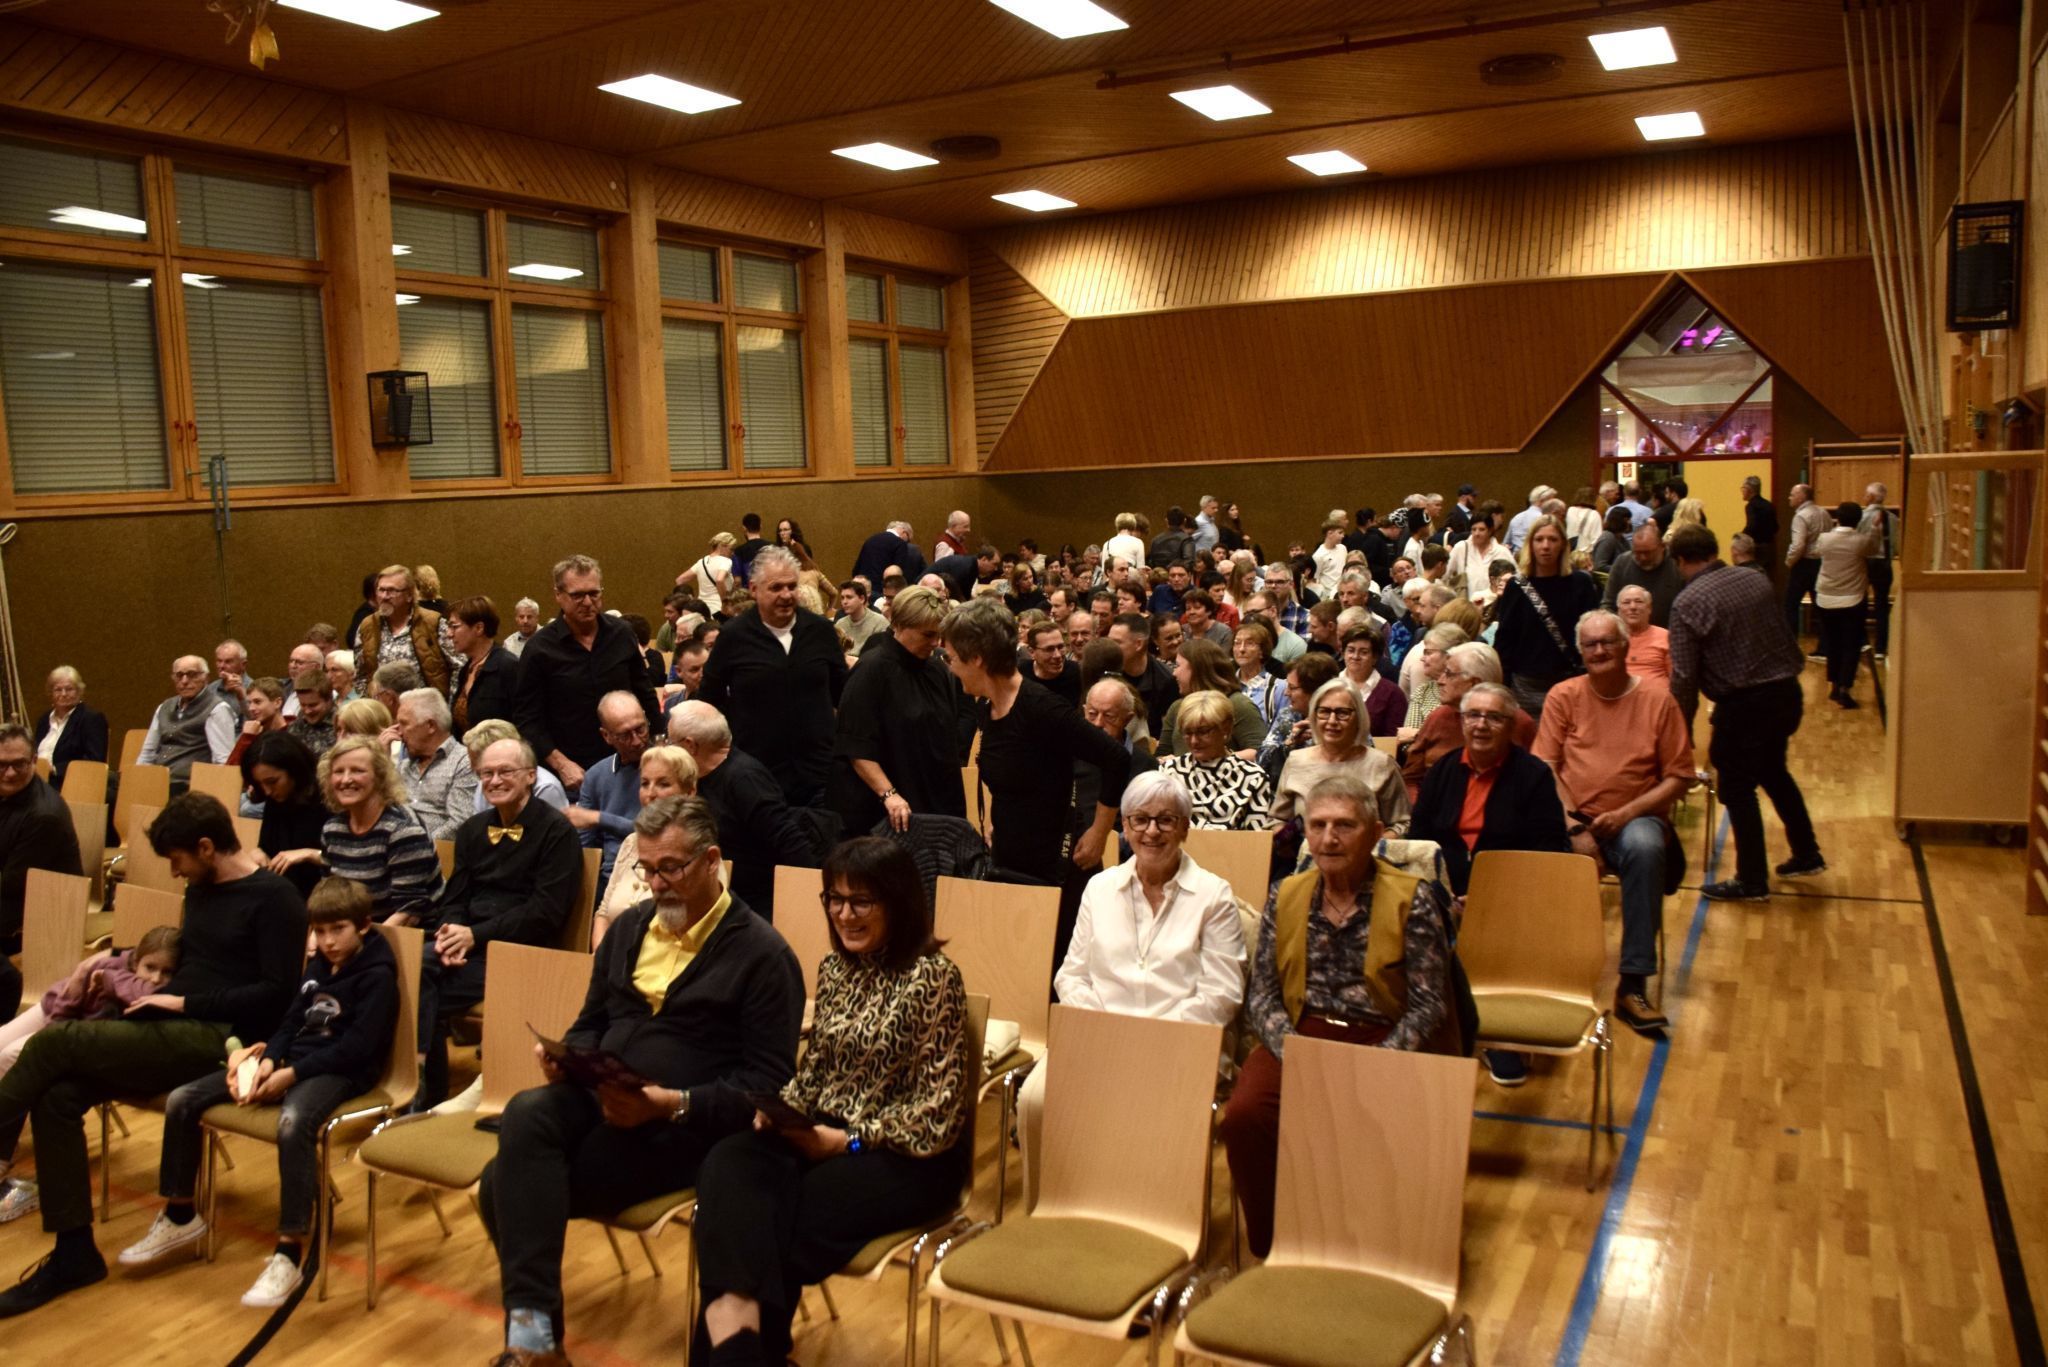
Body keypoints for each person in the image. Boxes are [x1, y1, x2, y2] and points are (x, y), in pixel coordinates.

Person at [479, 796, 803, 1367]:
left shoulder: (762, 953)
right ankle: (534, 1343)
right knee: (527, 1111)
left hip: (681, 1128)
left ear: (712, 861)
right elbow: (591, 1022)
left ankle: (534, 1345)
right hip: (600, 1094)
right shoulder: (630, 928)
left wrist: (671, 1105)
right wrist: (567, 1058)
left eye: (670, 868)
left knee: (498, 1188)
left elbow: (767, 1087)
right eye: (647, 869)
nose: (655, 884)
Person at [0, 794, 304, 1316]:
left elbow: (278, 994)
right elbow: (192, 958)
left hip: (223, 1041)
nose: (174, 871)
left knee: (54, 1040)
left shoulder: (277, 899)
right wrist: (115, 962)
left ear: (205, 847)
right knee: (56, 1097)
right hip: (168, 1027)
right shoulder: (202, 889)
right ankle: (74, 1253)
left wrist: (183, 1003)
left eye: (177, 859)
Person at [691, 836, 969, 1364]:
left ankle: (745, 1353)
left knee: (769, 1221)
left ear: (898, 901)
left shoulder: (934, 977)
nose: (844, 914)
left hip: (906, 1156)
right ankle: (746, 1352)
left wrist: (849, 1143)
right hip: (821, 1132)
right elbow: (815, 1072)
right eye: (834, 899)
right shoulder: (835, 969)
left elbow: (936, 1114)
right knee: (730, 1162)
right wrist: (780, 1112)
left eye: (861, 901)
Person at [131, 877, 396, 1307]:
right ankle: (180, 1213)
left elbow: (357, 1048)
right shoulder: (317, 965)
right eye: (320, 931)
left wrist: (290, 1075)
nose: (328, 941)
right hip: (293, 1061)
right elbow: (291, 1020)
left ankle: (289, 1252)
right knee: (183, 1099)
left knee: (293, 1123)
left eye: (338, 930)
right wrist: (271, 1058)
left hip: (341, 1071)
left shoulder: (378, 976)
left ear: (364, 925)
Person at [1222, 773, 1454, 1257]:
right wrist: (1293, 1052)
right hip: (1301, 1035)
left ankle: (1374, 1240)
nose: (1329, 838)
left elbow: (1429, 1003)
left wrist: (1378, 1061)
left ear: (1375, 833)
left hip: (1383, 1038)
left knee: (1373, 1121)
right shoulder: (1286, 894)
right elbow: (1262, 994)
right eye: (1318, 825)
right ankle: (1274, 1242)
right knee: (1244, 1116)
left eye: (1345, 825)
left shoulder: (1412, 899)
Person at [1020, 772, 1245, 1207]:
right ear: (1124, 826)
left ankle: (1151, 1211)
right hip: (1102, 1038)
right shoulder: (1099, 888)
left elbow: (1222, 994)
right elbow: (1071, 976)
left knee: (1141, 1113)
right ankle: (1058, 1206)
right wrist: (1106, 1029)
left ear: (1185, 827)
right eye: (1140, 819)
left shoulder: (1213, 896)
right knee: (1034, 1099)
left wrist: (1149, 1039)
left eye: (1166, 820)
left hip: (1179, 1046)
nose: (1152, 831)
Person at [1533, 611, 1696, 1038]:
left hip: (1634, 817)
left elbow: (1679, 777)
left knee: (1645, 848)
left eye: (1608, 642)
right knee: (1531, 849)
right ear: (1581, 651)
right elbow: (1545, 766)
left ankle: (1633, 984)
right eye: (1590, 644)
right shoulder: (1563, 696)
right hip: (1572, 817)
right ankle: (1547, 975)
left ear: (1626, 647)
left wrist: (1625, 814)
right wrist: (1575, 828)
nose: (1599, 650)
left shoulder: (1659, 700)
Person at [416, 736, 583, 1110]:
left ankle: (421, 1085)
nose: (494, 780)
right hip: (472, 949)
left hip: (523, 953)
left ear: (530, 776)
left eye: (505, 771)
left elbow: (545, 913)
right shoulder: (473, 830)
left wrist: (473, 936)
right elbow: (455, 898)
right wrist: (452, 934)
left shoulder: (556, 832)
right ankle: (422, 1085)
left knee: (419, 980)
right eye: (486, 773)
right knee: (412, 971)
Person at [1667, 525, 1826, 900]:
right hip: (1786, 693)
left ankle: (1751, 879)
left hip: (1743, 705)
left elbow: (1685, 678)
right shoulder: (1754, 579)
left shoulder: (1687, 603)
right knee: (1774, 773)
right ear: (1714, 550)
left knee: (1737, 788)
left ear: (1680, 560)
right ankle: (1807, 852)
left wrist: (1680, 730)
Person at [942, 597, 1130, 885]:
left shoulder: (1043, 709)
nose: (951, 668)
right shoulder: (986, 706)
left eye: (952, 658)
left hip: (1056, 865)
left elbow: (1117, 758)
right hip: (1010, 857)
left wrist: (1098, 833)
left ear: (977, 658)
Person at [696, 546, 848, 809]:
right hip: (756, 774)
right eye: (776, 588)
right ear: (754, 589)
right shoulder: (733, 636)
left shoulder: (821, 631)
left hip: (819, 773)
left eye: (792, 586)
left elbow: (843, 695)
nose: (786, 595)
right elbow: (710, 701)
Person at [512, 555, 661, 793]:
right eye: (577, 595)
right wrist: (561, 764)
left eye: (594, 593)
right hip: (573, 772)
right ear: (558, 595)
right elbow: (527, 720)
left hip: (630, 764)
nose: (588, 602)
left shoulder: (622, 634)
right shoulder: (539, 649)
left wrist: (659, 744)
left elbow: (645, 694)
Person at [670, 702, 821, 923]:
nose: (668, 749)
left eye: (671, 742)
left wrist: (807, 912)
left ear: (690, 745)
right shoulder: (696, 779)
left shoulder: (745, 779)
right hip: (721, 897)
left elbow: (791, 842)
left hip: (758, 906)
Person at [270, 735, 442, 925]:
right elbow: (330, 899)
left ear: (379, 777)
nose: (345, 780)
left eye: (357, 771)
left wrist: (360, 942)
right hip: (351, 931)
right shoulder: (332, 829)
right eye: (338, 771)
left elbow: (410, 912)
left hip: (404, 934)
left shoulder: (403, 831)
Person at [0, 927, 180, 1087]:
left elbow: (143, 993)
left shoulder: (156, 991)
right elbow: (68, 1001)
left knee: (10, 1056)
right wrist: (53, 1031)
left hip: (74, 1031)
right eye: (150, 968)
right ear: (135, 963)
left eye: (167, 972)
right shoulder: (109, 965)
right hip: (56, 1009)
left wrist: (109, 979)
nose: (156, 978)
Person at [1270, 678, 1409, 836]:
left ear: (1359, 717)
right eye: (1324, 711)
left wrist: (1374, 845)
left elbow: (1402, 823)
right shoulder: (1296, 761)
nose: (1332, 721)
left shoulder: (1381, 764)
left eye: (1342, 713)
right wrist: (1293, 842)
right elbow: (1276, 820)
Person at [1491, 516, 1597, 720]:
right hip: (1525, 685)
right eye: (1539, 539)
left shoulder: (1580, 583)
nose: (1545, 546)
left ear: (1563, 544)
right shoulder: (1516, 586)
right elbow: (1505, 639)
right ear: (1530, 544)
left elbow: (1591, 634)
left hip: (1569, 681)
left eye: (1552, 539)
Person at [591, 745, 698, 946]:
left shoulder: (699, 851)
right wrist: (601, 956)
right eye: (645, 783)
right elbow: (603, 913)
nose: (650, 793)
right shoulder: (631, 842)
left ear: (689, 792)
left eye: (663, 784)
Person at [0, 723, 82, 957]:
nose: (9, 773)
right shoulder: (8, 794)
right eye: (2, 764)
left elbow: (10, 885)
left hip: (37, 913)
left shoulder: (44, 816)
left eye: (19, 764)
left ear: (34, 761)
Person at [567, 691, 652, 883]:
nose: (637, 741)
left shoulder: (668, 766)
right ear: (606, 736)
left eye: (640, 729)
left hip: (656, 873)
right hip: (611, 878)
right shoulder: (595, 775)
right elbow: (585, 847)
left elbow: (659, 832)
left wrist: (599, 818)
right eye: (625, 735)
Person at [1159, 692, 1277, 831]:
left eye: (1203, 732)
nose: (1194, 741)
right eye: (1188, 732)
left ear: (1226, 728)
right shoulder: (1169, 773)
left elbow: (1256, 839)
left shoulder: (1253, 777)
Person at [353, 564, 461, 699]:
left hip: (426, 707)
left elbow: (459, 666)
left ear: (409, 595)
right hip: (383, 709)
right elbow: (360, 676)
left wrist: (449, 704)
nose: (384, 596)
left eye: (392, 590)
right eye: (381, 590)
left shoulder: (433, 623)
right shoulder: (367, 626)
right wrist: (371, 704)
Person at [244, 732, 328, 899]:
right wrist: (258, 853)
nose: (267, 791)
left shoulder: (327, 797)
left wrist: (309, 854)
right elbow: (266, 848)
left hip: (322, 895)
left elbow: (346, 861)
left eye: (272, 782)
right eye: (260, 784)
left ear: (294, 771)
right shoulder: (275, 799)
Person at [392, 687, 477, 843]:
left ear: (430, 726)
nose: (399, 733)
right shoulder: (404, 766)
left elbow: (460, 823)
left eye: (404, 724)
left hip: (436, 852)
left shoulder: (464, 762)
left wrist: (416, 845)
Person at [138, 656, 235, 790]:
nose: (184, 681)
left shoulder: (217, 709)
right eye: (179, 675)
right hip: (158, 780)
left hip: (189, 785)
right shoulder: (164, 707)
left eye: (192, 675)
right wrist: (137, 780)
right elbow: (148, 752)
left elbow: (223, 761)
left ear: (206, 678)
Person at [1157, 638, 1267, 756]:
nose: (1174, 673)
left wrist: (1212, 762)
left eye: (1178, 666)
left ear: (1197, 669)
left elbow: (1260, 753)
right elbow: (1162, 753)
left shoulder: (1238, 705)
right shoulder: (1177, 707)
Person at [1256, 653, 1341, 781]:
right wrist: (1290, 743)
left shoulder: (1344, 720)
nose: (1286, 693)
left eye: (1292, 688)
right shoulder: (1288, 715)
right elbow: (1261, 762)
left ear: (1315, 691)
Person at [449, 594, 520, 738]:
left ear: (479, 628)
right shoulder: (466, 670)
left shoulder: (508, 666)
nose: (449, 634)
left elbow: (524, 723)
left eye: (454, 627)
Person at [464, 718, 570, 814]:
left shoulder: (545, 787)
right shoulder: (486, 781)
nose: (472, 767)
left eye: (476, 761)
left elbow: (554, 827)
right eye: (488, 772)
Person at [32, 667, 107, 793]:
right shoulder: (44, 720)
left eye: (69, 689)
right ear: (51, 693)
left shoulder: (91, 718)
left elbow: (94, 760)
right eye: (58, 689)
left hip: (70, 784)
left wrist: (55, 769)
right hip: (38, 781)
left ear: (79, 691)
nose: (63, 694)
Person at [1105, 611, 1178, 733]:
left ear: (1138, 644)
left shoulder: (1167, 680)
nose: (1110, 647)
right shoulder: (1105, 669)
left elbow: (1166, 733)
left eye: (1117, 642)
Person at [1602, 521, 1683, 625]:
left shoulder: (1677, 565)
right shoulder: (1622, 563)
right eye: (1637, 553)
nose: (1643, 558)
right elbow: (1608, 605)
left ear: (1662, 546)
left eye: (1648, 553)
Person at [1338, 622, 1406, 737]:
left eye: (1363, 652)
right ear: (1343, 653)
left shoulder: (1393, 694)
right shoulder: (1330, 686)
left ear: (1375, 657)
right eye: (1351, 650)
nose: (1355, 656)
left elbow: (1391, 740)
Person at [1782, 483, 1830, 640]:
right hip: (1821, 563)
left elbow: (1798, 545)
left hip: (1803, 564)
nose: (1789, 497)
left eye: (1792, 494)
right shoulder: (1824, 513)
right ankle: (1825, 644)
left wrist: (1789, 561)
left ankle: (1791, 642)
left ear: (1801, 497)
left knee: (1791, 604)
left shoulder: (1801, 516)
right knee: (1820, 605)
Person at [1859, 482, 1899, 658]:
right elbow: (1895, 545)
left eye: (1866, 494)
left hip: (1867, 563)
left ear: (1871, 497)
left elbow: (1859, 540)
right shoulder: (1893, 518)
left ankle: (1863, 642)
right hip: (1885, 564)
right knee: (1882, 605)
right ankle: (1881, 647)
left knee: (1860, 602)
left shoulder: (1863, 517)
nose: (1864, 497)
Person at [1401, 623, 1465, 731]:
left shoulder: (1464, 690)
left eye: (1428, 653)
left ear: (1448, 655)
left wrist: (1416, 734)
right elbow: (1406, 738)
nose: (1422, 658)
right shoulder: (1423, 692)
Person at [1445, 506, 1513, 602]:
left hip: (1493, 606)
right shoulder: (1461, 548)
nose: (1477, 533)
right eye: (1474, 529)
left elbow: (1518, 578)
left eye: (1481, 529)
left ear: (1490, 531)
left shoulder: (1501, 552)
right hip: (1467, 605)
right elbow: (1443, 574)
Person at [1232, 622, 1285, 723]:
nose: (1241, 649)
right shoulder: (1225, 685)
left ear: (1262, 651)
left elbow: (1282, 728)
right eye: (1237, 643)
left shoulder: (1278, 688)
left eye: (1249, 643)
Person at [1022, 618, 1080, 707]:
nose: (1057, 655)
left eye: (1060, 647)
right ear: (1032, 652)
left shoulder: (1078, 674)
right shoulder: (1020, 675)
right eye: (1049, 649)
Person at [1616, 585, 1670, 681]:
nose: (1633, 607)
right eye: (1626, 602)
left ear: (1649, 608)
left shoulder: (1667, 637)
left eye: (1639, 602)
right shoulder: (1610, 640)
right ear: (1619, 611)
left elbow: (1679, 681)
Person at [679, 532, 738, 618]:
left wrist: (689, 601)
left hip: (701, 610)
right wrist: (724, 603)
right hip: (718, 609)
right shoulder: (726, 561)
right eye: (731, 549)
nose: (732, 553)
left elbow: (680, 580)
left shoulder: (701, 562)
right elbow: (719, 580)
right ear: (722, 546)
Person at [850, 520, 925, 588]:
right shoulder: (900, 543)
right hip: (882, 588)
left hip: (863, 587)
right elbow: (897, 572)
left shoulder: (870, 539)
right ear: (904, 532)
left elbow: (857, 568)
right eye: (908, 540)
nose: (907, 543)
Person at [286, 668, 338, 754]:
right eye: (303, 705)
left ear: (329, 699)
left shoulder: (343, 726)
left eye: (313, 705)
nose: (307, 711)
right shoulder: (295, 726)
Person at [833, 579, 887, 653]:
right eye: (842, 598)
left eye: (849, 597)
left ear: (862, 599)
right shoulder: (840, 624)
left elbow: (881, 654)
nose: (844, 602)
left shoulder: (880, 622)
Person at [1504, 484, 1556, 551]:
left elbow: (1506, 545)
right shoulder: (1545, 519)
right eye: (1552, 502)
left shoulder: (1516, 518)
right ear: (1542, 501)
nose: (1554, 505)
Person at [1741, 474, 1779, 565]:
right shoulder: (1769, 505)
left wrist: (1741, 537)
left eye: (1743, 488)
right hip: (1770, 547)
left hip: (1757, 548)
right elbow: (1776, 527)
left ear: (1749, 490)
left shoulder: (1751, 506)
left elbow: (1751, 526)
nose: (1742, 491)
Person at [1590, 505, 1634, 574]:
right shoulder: (1608, 538)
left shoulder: (1622, 539)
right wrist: (1622, 569)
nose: (1630, 522)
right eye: (1627, 520)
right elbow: (1599, 566)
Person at [1309, 521, 1346, 600]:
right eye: (1340, 533)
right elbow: (1315, 579)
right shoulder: (1318, 555)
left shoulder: (1343, 548)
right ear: (1330, 533)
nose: (1343, 536)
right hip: (1329, 596)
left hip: (1343, 592)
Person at [731, 512, 769, 586]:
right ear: (760, 526)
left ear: (744, 528)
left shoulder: (738, 552)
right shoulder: (773, 547)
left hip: (750, 591)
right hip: (770, 590)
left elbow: (737, 580)